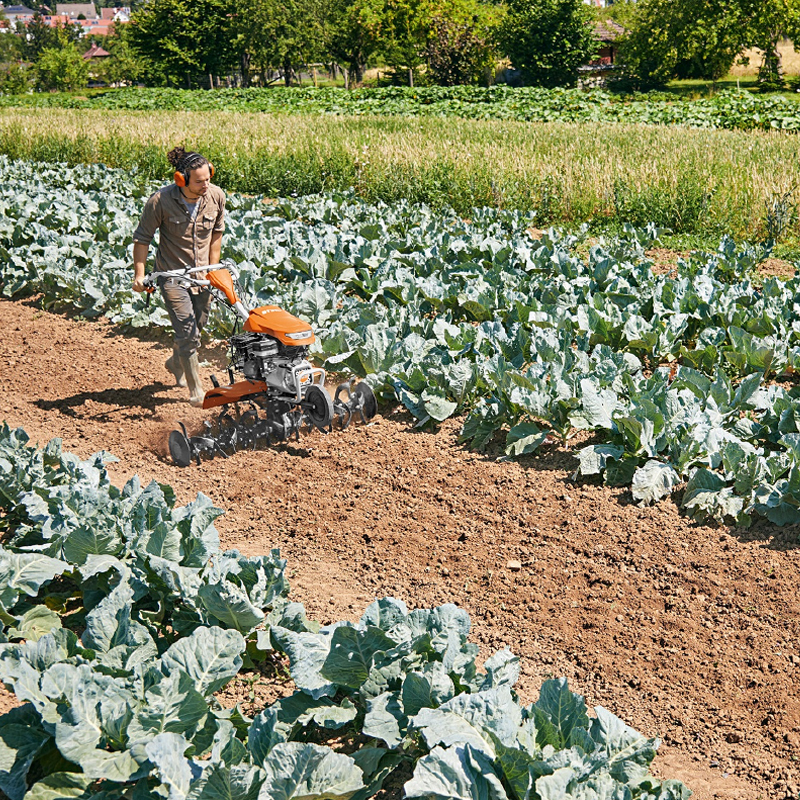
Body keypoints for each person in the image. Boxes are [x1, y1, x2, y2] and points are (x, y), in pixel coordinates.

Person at [131, 147, 226, 406]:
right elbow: (142, 239)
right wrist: (140, 276)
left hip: (201, 276)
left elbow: (216, 233)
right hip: (171, 275)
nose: (206, 184)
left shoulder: (216, 196)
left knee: (199, 325)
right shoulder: (160, 201)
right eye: (199, 181)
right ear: (181, 179)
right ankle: (196, 391)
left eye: (208, 178)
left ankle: (176, 361)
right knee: (187, 330)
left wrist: (212, 270)